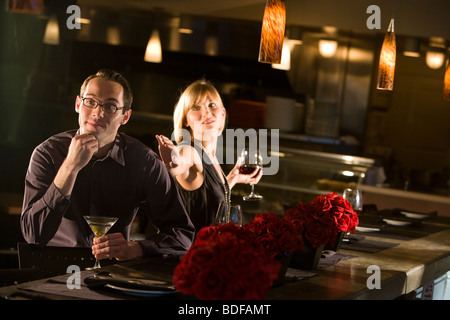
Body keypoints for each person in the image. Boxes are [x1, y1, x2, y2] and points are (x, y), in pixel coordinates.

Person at [21, 69, 195, 261]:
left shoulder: (144, 161)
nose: (98, 112)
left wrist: (137, 248)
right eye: (90, 101)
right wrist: (70, 166)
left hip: (113, 275)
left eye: (111, 107)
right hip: (51, 273)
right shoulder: (47, 154)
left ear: (125, 117)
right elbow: (33, 235)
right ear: (78, 104)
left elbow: (182, 234)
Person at [156, 79, 262, 231]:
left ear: (223, 113)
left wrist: (231, 179)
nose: (206, 112)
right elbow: (180, 163)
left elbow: (206, 196)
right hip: (191, 253)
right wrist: (173, 164)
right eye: (196, 107)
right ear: (186, 119)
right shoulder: (189, 149)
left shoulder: (209, 157)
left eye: (212, 105)